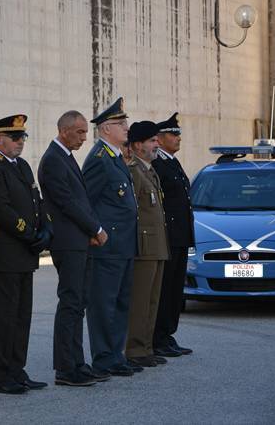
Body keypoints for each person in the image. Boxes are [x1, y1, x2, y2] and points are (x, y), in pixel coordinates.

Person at [0, 114, 50, 395]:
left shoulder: (22, 166)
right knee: (3, 320)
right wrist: (30, 234)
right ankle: (2, 376)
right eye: (15, 138)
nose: (20, 143)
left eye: (22, 138)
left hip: (24, 255)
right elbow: (1, 211)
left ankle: (17, 370)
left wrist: (45, 228)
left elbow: (36, 200)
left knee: (21, 318)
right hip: (4, 257)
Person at [38, 110, 110, 387]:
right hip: (68, 243)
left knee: (78, 303)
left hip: (79, 240)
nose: (84, 137)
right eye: (79, 132)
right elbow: (68, 202)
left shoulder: (65, 157)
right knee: (70, 302)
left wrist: (90, 231)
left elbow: (81, 200)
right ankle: (66, 368)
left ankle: (78, 363)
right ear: (64, 130)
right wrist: (96, 228)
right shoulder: (53, 159)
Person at [81, 97, 140, 377]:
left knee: (120, 301)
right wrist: (96, 231)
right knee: (104, 304)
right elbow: (85, 202)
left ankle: (116, 354)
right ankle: (104, 357)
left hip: (124, 245)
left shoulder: (115, 157)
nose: (126, 127)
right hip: (107, 246)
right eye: (121, 123)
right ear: (105, 129)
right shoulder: (99, 159)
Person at [124, 121, 170, 368]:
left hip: (156, 246)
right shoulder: (133, 171)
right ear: (138, 145)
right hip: (143, 246)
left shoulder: (149, 171)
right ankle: (133, 349)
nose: (157, 144)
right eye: (152, 141)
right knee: (140, 302)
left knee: (152, 300)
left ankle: (146, 347)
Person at [152, 112, 195, 357]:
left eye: (178, 134)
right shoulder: (158, 164)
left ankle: (168, 335)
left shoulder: (172, 162)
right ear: (159, 138)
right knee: (165, 289)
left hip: (180, 237)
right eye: (173, 134)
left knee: (175, 289)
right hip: (168, 236)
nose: (178, 138)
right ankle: (158, 337)